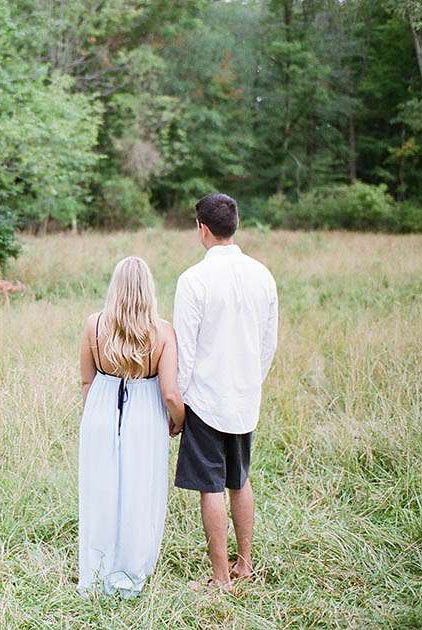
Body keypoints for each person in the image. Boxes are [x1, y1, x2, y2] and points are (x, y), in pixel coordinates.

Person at [173, 193, 278, 591]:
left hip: (205, 399)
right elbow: (269, 342)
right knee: (240, 479)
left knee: (211, 487)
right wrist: (252, 381)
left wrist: (178, 406)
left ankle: (220, 578)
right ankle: (244, 563)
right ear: (235, 226)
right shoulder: (262, 274)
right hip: (244, 396)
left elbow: (185, 349)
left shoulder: (193, 280)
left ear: (202, 228)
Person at [77, 256, 185, 598]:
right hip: (145, 417)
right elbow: (169, 392)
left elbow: (86, 380)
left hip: (100, 411)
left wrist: (95, 417)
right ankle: (129, 573)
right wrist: (178, 422)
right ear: (148, 289)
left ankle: (96, 572)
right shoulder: (163, 331)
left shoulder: (94, 325)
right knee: (140, 492)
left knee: (100, 493)